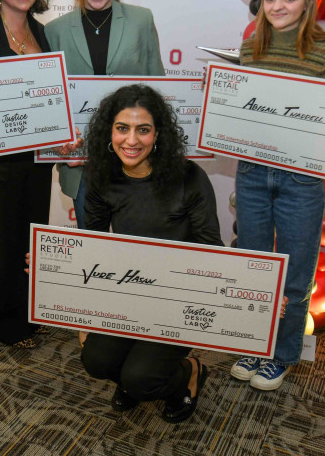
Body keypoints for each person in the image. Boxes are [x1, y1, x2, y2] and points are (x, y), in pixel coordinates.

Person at [228, 0, 325, 391]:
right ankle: (251, 345)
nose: (278, 6)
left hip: (302, 179)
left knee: (297, 270)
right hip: (253, 174)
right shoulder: (250, 47)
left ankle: (281, 355)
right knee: (254, 266)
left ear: (307, 3)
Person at [75, 84, 219, 423]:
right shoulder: (100, 174)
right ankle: (132, 379)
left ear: (158, 134)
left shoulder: (188, 177)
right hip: (128, 291)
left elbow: (212, 249)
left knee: (141, 379)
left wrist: (261, 294)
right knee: (95, 361)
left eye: (143, 130)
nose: (131, 140)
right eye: (122, 128)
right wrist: (53, 269)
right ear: (109, 131)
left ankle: (190, 373)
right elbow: (92, 244)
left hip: (177, 299)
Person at [45, 0, 164, 227]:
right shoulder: (55, 31)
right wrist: (61, 149)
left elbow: (158, 88)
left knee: (136, 249)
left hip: (135, 159)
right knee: (92, 253)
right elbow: (50, 103)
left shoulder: (141, 20)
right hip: (82, 166)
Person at [0, 0, 54, 349]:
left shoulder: (41, 31)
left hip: (37, 157)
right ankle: (6, 326)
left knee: (31, 237)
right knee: (0, 243)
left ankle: (30, 313)